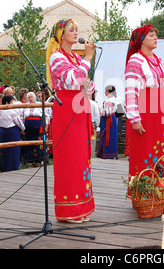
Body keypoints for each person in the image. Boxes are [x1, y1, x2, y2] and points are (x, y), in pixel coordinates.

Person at [47, 18, 96, 223]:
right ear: (60, 34)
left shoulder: (76, 58)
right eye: (71, 30)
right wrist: (88, 58)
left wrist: (84, 64)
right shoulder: (57, 57)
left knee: (81, 156)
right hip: (66, 107)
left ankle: (82, 206)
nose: (76, 33)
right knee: (69, 158)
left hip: (81, 105)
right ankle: (69, 210)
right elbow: (72, 80)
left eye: (76, 29)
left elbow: (87, 85)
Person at [125, 24, 164, 182]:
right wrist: (134, 118)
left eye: (156, 34)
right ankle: (144, 191)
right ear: (141, 40)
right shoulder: (135, 60)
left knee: (159, 149)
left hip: (158, 109)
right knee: (143, 149)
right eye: (151, 35)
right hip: (144, 110)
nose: (155, 38)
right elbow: (130, 90)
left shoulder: (158, 60)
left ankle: (159, 187)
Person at [23, 92, 49, 168]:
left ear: (35, 97)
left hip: (39, 126)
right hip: (29, 128)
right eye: (29, 97)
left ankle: (42, 160)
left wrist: (46, 125)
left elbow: (46, 116)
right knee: (31, 144)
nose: (30, 99)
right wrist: (23, 128)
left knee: (40, 143)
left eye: (31, 97)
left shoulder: (40, 105)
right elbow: (22, 117)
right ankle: (33, 161)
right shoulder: (25, 106)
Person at [0, 95, 25, 172]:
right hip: (12, 131)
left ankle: (5, 166)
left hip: (3, 131)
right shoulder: (11, 111)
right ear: (7, 103)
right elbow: (18, 122)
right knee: (14, 150)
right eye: (11, 102)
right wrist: (23, 128)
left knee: (5, 150)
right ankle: (13, 166)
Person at [97, 85, 118, 160]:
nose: (105, 92)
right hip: (110, 119)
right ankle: (109, 154)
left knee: (108, 136)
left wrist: (100, 112)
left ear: (109, 91)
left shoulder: (110, 100)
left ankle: (108, 154)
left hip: (108, 119)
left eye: (106, 90)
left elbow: (107, 112)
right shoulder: (112, 99)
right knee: (109, 136)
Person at [90, 91, 100, 158]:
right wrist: (97, 125)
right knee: (92, 141)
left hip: (82, 124)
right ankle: (90, 157)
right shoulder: (93, 103)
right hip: (92, 125)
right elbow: (97, 116)